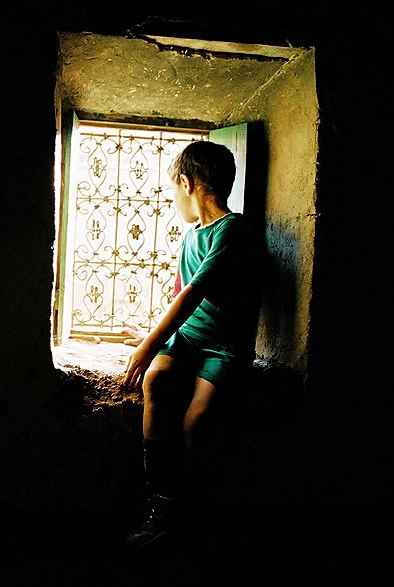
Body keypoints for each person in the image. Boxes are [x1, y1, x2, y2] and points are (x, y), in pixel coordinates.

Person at [120, 140, 262, 547]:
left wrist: (149, 343)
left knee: (195, 423)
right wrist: (154, 335)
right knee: (156, 382)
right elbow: (178, 292)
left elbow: (192, 294)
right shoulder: (191, 236)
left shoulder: (233, 230)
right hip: (187, 338)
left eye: (173, 190)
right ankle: (160, 502)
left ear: (186, 182)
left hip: (225, 346)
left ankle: (186, 511)